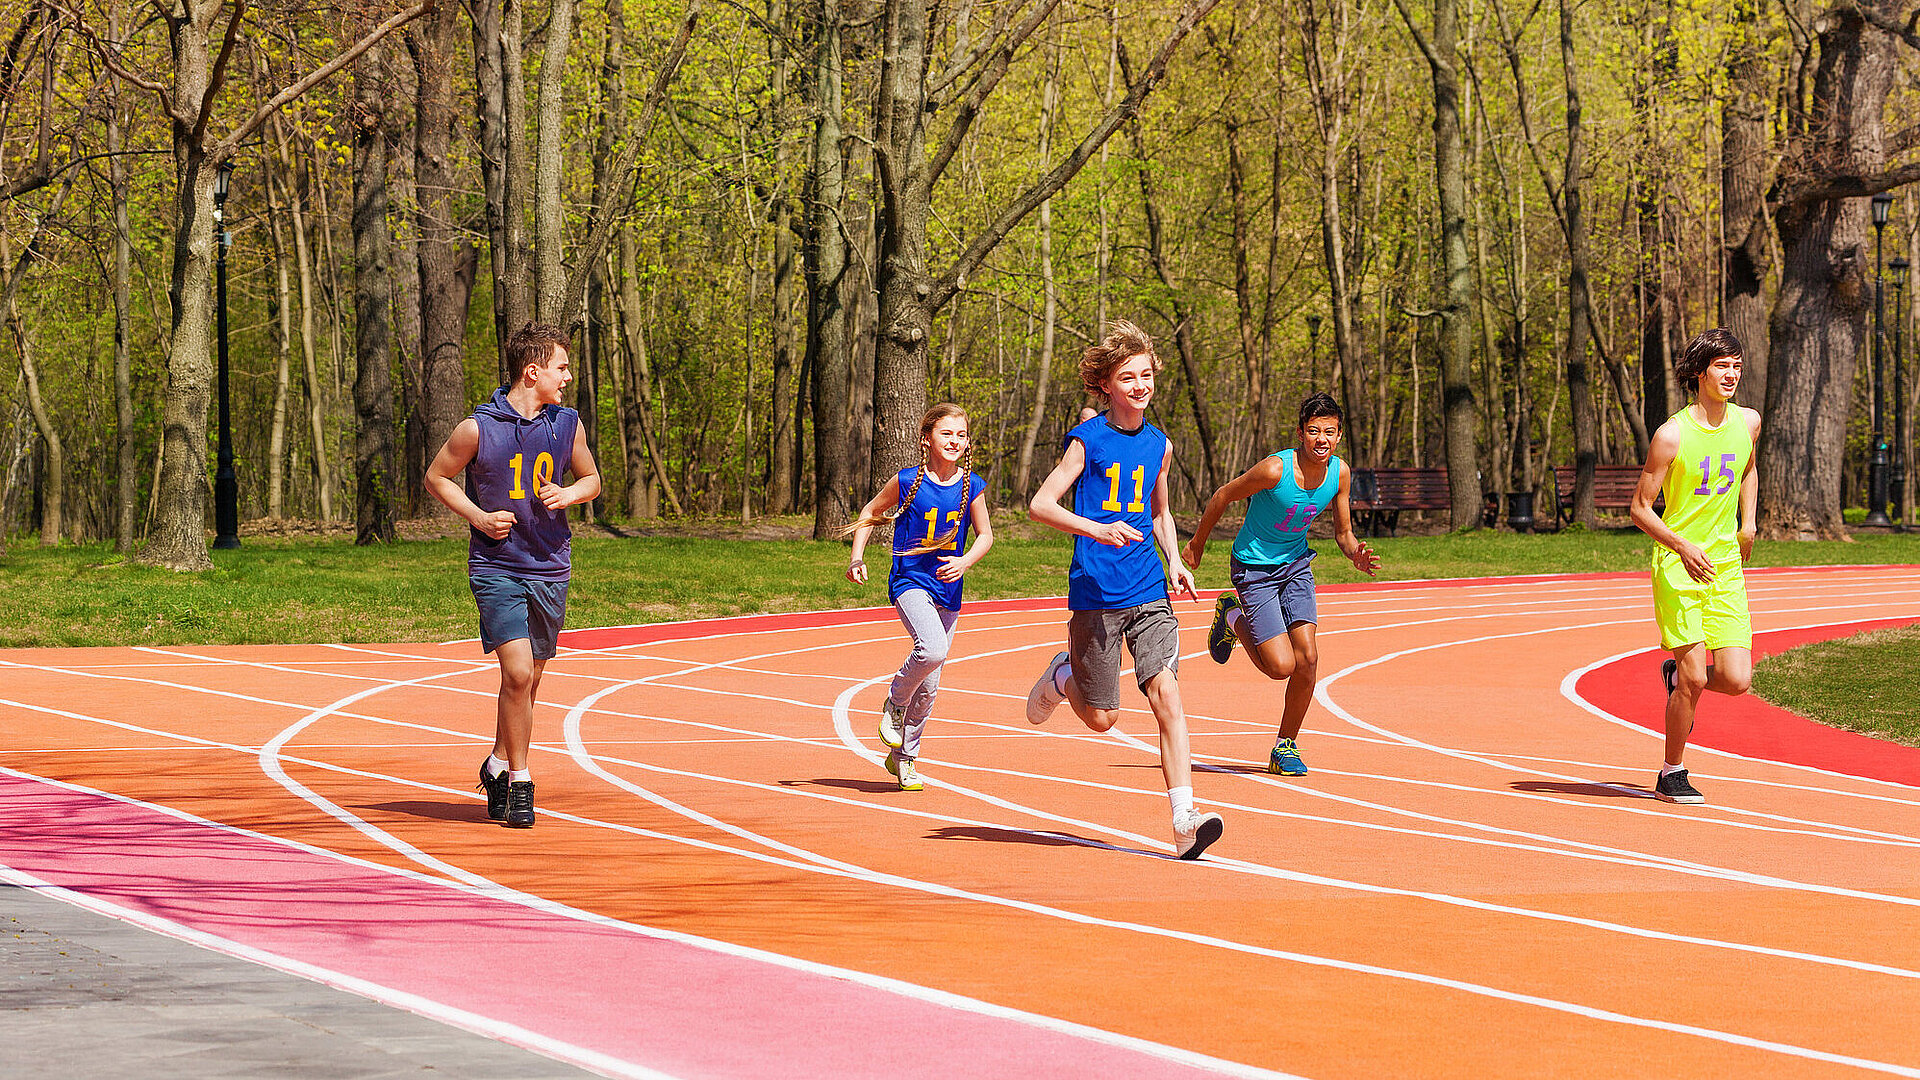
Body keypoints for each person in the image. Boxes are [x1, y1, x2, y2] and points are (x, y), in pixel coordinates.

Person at [1024, 320, 1224, 860]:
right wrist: (1097, 529)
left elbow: (1160, 511)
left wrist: (1175, 561)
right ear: (1107, 385)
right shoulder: (1087, 440)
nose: (1140, 385)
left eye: (1146, 375)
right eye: (1128, 377)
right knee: (1102, 719)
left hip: (1148, 589)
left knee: (1167, 695)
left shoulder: (1160, 444)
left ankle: (1185, 820)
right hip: (1095, 591)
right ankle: (1063, 675)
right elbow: (1040, 505)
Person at [425, 322, 601, 828]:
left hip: (550, 565)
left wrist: (569, 494)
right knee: (518, 673)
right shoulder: (477, 428)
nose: (568, 376)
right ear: (532, 372)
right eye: (561, 367)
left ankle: (498, 762)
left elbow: (591, 478)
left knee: (529, 681)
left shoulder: (567, 424)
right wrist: (479, 517)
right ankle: (521, 780)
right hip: (497, 565)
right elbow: (437, 476)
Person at [1180, 392, 1379, 776]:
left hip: (1296, 567)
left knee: (1309, 659)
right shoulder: (1275, 470)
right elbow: (1222, 496)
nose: (1322, 439)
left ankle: (1284, 746)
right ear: (1301, 434)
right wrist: (1197, 544)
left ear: (1339, 435)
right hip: (1254, 570)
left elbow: (1343, 533)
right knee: (1280, 666)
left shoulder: (1339, 473)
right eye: (1314, 431)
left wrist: (1355, 553)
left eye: (1330, 432)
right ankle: (1231, 615)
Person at [1628, 327, 1761, 805]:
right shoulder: (1672, 434)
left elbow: (1748, 470)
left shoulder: (1748, 422)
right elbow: (1640, 508)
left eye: (1737, 366)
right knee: (1697, 679)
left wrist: (1748, 524)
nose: (1732, 374)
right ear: (1700, 373)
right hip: (1679, 565)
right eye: (1722, 366)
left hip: (1725, 565)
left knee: (1737, 681)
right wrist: (1681, 545)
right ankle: (1672, 772)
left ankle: (1676, 676)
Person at [843, 403, 994, 791]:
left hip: (949, 589)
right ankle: (894, 703)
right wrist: (857, 557)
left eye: (961, 435)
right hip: (910, 582)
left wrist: (965, 562)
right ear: (927, 439)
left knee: (929, 686)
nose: (954, 441)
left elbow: (986, 536)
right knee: (932, 649)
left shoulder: (972, 485)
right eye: (946, 433)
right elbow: (871, 511)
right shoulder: (908, 480)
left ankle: (904, 758)